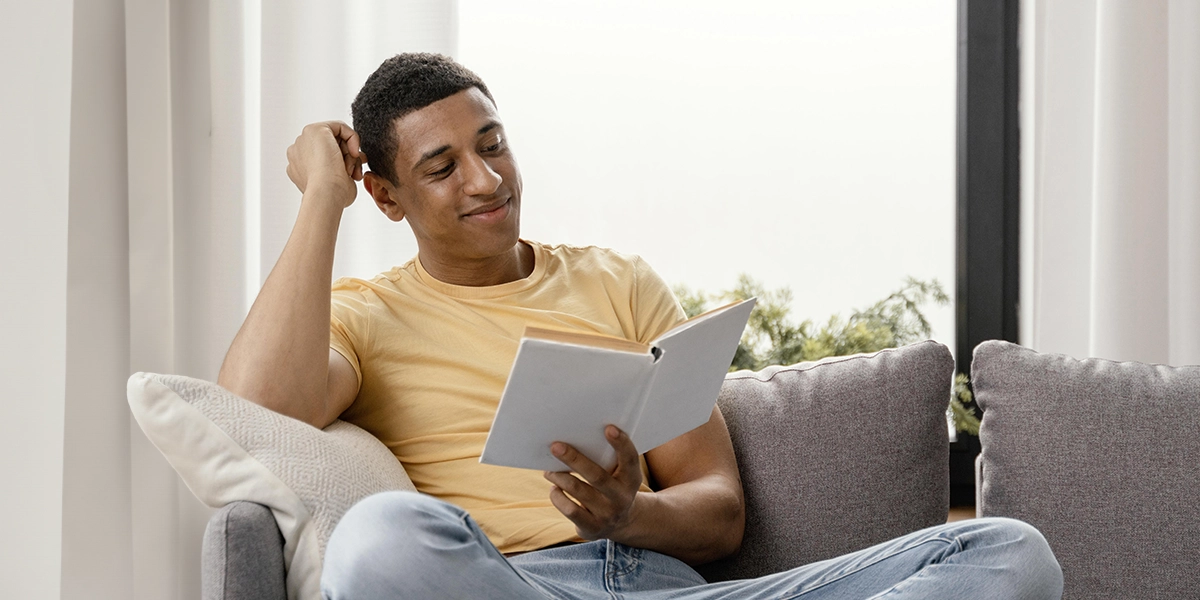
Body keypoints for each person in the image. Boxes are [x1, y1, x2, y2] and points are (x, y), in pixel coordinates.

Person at [218, 53, 1063, 599]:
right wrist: (321, 197)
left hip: (671, 588)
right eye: (441, 168)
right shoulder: (366, 314)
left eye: (493, 143)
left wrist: (626, 516)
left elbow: (719, 510)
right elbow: (259, 402)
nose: (485, 180)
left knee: (1009, 554)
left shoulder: (617, 282)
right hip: (514, 587)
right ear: (387, 196)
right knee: (374, 539)